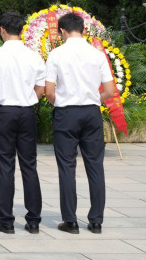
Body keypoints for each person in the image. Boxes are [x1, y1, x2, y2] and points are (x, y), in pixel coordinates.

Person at [45, 12, 115, 234]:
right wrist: (93, 100)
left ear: (62, 31)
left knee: (67, 166)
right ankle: (96, 221)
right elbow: (110, 90)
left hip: (66, 113)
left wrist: (62, 102)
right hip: (92, 112)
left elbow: (48, 91)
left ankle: (70, 220)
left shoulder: (56, 54)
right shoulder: (97, 54)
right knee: (95, 166)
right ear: (84, 30)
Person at [0, 11, 45, 235]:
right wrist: (29, 101)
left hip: (4, 112)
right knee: (29, 165)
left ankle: (6, 220)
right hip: (27, 111)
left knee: (6, 166)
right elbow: (41, 89)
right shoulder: (34, 56)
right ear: (21, 30)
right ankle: (34, 220)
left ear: (1, 30)